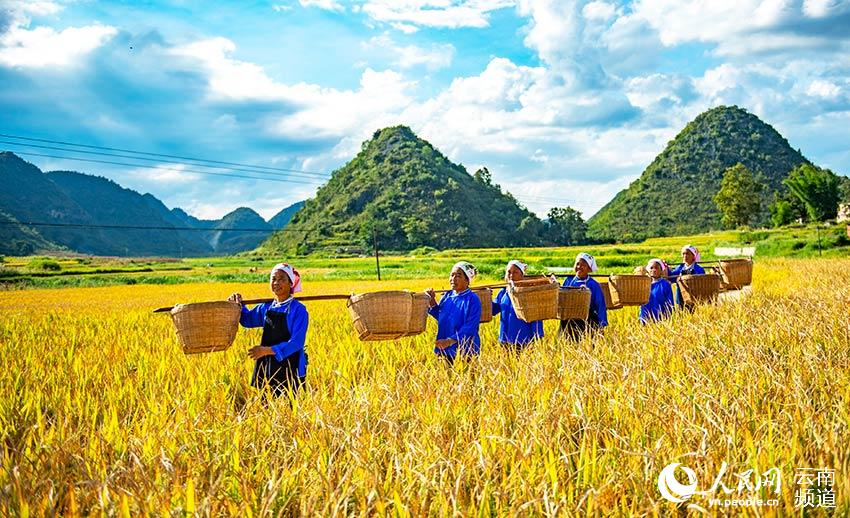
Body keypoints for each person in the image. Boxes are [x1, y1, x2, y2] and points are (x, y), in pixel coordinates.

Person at [228, 263, 309, 398]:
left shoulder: (298, 310)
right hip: (268, 367)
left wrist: (265, 351)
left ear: (291, 283)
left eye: (282, 279)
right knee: (267, 405)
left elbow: (296, 343)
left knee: (291, 408)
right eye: (273, 279)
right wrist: (238, 305)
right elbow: (247, 320)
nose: (276, 283)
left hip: (291, 367)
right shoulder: (266, 307)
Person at [425, 261, 481, 365]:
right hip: (444, 348)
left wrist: (450, 341)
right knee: (446, 379)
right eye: (452, 275)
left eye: (458, 276)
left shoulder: (472, 299)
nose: (453, 279)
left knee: (467, 378)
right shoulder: (447, 296)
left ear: (467, 280)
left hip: (466, 350)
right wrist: (432, 301)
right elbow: (442, 317)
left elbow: (470, 326)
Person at [493, 260, 543, 351]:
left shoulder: (528, 293)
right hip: (504, 340)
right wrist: (484, 296)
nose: (511, 275)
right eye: (509, 272)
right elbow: (493, 309)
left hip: (523, 341)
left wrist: (537, 337)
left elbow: (536, 318)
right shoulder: (504, 292)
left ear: (522, 275)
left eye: (515, 272)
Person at [560, 253, 608, 340]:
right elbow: (560, 298)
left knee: (586, 344)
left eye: (583, 265)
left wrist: (602, 325)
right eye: (577, 264)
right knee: (567, 344)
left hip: (587, 320)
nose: (579, 267)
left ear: (589, 269)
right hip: (568, 320)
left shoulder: (593, 284)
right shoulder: (568, 280)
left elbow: (600, 305)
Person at [668, 245, 706, 309]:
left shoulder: (699, 269)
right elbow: (672, 278)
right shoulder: (680, 267)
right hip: (681, 297)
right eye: (683, 254)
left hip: (694, 298)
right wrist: (666, 268)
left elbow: (701, 283)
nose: (685, 256)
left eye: (688, 254)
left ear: (693, 256)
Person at [639, 258, 674, 324]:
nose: (653, 270)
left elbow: (670, 303)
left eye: (656, 268)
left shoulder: (665, 284)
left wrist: (668, 319)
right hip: (645, 318)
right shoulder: (644, 284)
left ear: (661, 270)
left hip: (660, 319)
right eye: (651, 268)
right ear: (648, 270)